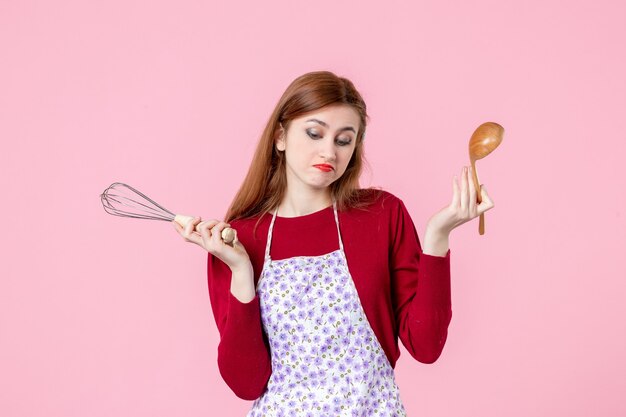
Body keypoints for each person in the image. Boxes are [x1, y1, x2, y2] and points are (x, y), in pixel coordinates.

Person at [172, 70, 494, 416]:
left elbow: (426, 346)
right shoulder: (240, 238)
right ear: (280, 136)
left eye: (344, 140)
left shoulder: (381, 216)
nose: (329, 151)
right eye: (314, 133)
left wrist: (437, 236)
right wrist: (239, 268)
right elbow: (246, 382)